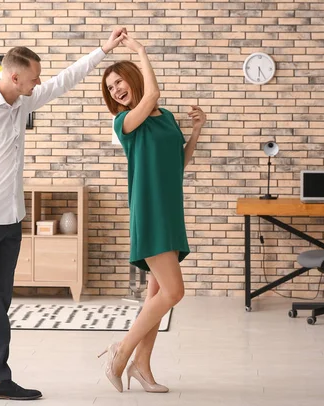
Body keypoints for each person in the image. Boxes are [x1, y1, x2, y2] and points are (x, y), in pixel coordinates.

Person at [0, 28, 127, 401]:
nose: (39, 83)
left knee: (0, 301)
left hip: (10, 220)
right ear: (14, 76)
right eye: (33, 77)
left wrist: (103, 49)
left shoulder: (22, 102)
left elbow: (66, 79)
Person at [98, 35, 206, 393]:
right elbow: (153, 96)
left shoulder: (168, 118)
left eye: (118, 82)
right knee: (174, 293)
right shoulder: (126, 122)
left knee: (156, 297)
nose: (115, 90)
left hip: (171, 211)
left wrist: (196, 131)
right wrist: (142, 52)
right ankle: (121, 352)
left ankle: (141, 368)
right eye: (110, 88)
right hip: (150, 213)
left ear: (131, 76)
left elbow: (179, 163)